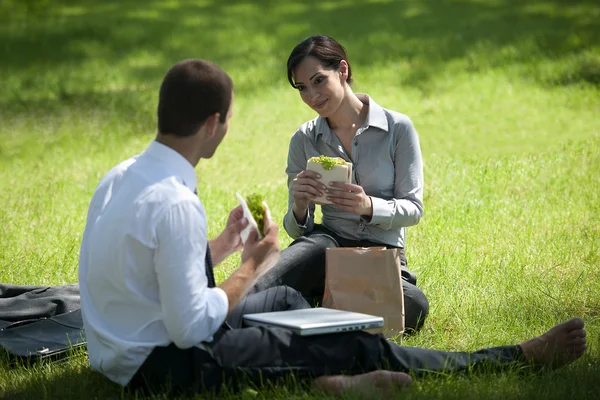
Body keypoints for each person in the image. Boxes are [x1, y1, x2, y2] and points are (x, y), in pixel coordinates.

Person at [78, 59, 587, 397]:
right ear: (214, 123)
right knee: (348, 339)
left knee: (283, 305)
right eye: (229, 120)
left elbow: (145, 270)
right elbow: (191, 328)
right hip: (162, 365)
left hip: (121, 346)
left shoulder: (123, 175)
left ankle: (323, 376)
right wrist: (252, 263)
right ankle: (512, 357)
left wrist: (221, 247)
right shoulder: (175, 202)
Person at [252, 35, 429, 332]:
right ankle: (220, 314)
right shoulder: (304, 139)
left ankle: (310, 305)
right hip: (326, 244)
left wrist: (368, 206)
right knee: (269, 277)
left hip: (381, 253)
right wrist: (299, 205)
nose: (312, 95)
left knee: (413, 306)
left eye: (319, 80)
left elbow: (413, 208)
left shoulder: (397, 128)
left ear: (343, 70)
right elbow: (296, 229)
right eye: (302, 88)